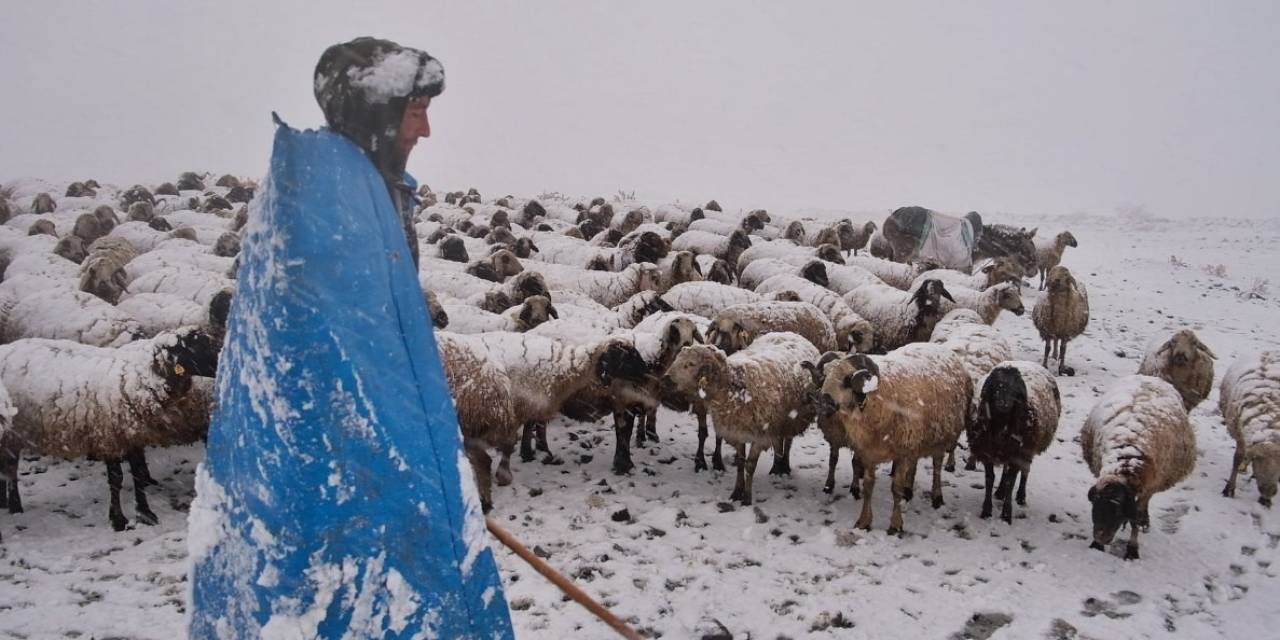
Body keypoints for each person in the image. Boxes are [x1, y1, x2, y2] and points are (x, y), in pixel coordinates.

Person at [188, 37, 514, 638]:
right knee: (344, 597)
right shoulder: (328, 202)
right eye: (416, 111)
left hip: (356, 456)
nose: (427, 129)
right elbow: (344, 364)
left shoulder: (359, 188)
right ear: (377, 115)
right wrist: (407, 469)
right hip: (339, 467)